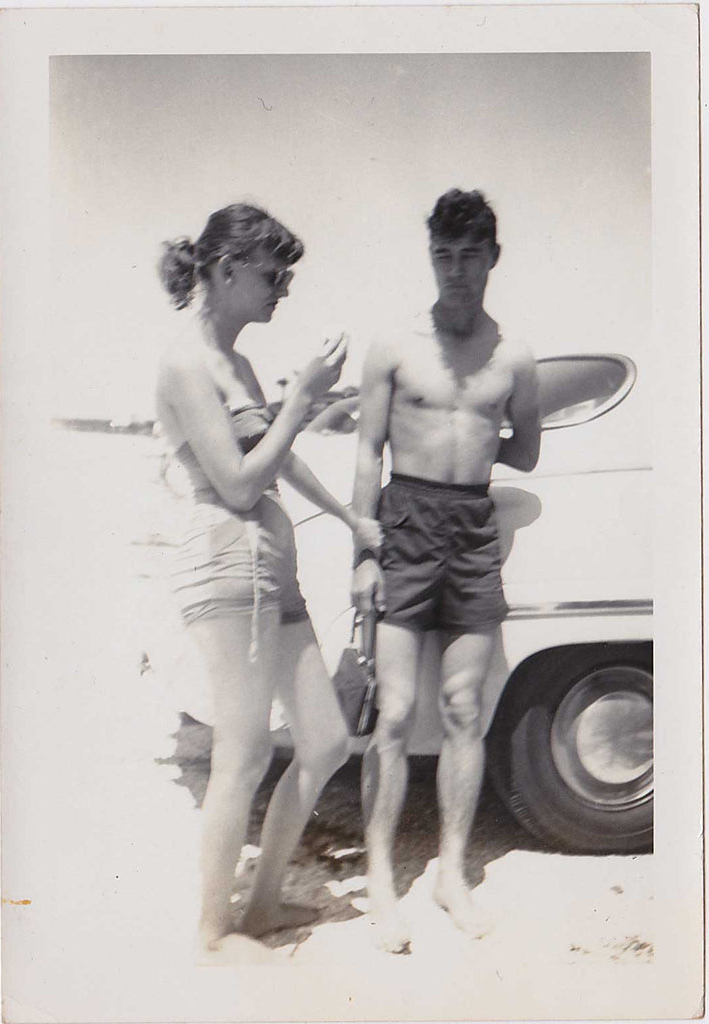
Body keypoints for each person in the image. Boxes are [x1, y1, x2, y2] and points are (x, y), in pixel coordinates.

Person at [155, 202, 378, 959]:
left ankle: (258, 907)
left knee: (324, 739)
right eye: (272, 274)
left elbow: (278, 456)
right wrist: (305, 399)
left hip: (268, 571)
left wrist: (350, 517)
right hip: (224, 567)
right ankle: (213, 933)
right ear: (225, 269)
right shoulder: (184, 361)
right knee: (243, 756)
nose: (283, 288)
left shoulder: (238, 364)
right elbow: (242, 484)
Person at [351, 188, 541, 953]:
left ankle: (450, 874)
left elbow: (525, 447)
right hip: (404, 524)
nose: (455, 271)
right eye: (443, 255)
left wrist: (473, 444)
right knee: (394, 714)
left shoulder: (515, 357)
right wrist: (365, 552)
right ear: (431, 257)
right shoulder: (395, 346)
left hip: (469, 527)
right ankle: (377, 878)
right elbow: (366, 449)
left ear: (492, 258)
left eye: (469, 256)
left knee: (464, 707)